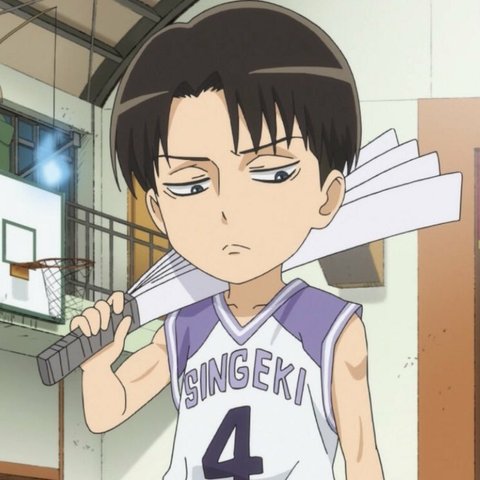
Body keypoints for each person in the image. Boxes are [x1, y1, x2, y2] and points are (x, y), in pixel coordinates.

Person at [71, 2, 384, 478]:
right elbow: (105, 413)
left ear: (327, 195)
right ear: (158, 209)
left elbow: (361, 458)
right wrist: (97, 365)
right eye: (191, 185)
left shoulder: (330, 326)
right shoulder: (184, 327)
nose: (228, 209)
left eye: (272, 173)